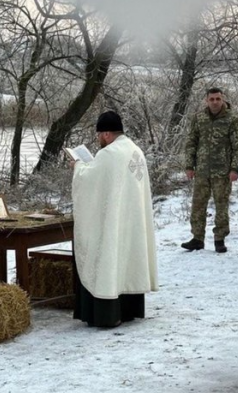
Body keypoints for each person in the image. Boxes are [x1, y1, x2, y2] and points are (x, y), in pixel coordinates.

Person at [72, 110, 158, 328]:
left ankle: (106, 314)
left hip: (114, 221)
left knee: (107, 256)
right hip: (132, 219)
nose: (99, 139)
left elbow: (89, 180)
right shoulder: (134, 150)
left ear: (107, 134)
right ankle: (129, 310)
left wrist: (77, 167)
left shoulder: (109, 154)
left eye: (99, 135)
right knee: (127, 257)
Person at [181, 88, 238, 253]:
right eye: (211, 99)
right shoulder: (200, 118)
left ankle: (219, 238)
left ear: (222, 99)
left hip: (222, 172)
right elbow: (191, 142)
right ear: (206, 100)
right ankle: (197, 238)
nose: (215, 102)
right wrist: (189, 166)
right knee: (198, 205)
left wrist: (234, 169)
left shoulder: (231, 119)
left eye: (218, 99)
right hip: (202, 170)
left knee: (221, 205)